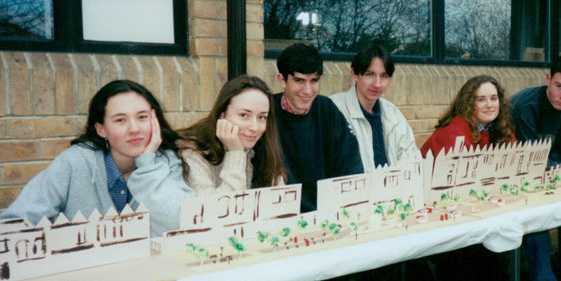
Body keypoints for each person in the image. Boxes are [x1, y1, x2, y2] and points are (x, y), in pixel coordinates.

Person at [0, 80, 195, 237]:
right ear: (101, 129)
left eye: (142, 117)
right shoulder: (75, 162)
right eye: (120, 120)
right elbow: (16, 221)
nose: (134, 129)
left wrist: (148, 165)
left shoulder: (167, 163)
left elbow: (183, 223)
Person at [510, 54, 561, 281]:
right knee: (538, 218)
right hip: (521, 173)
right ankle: (544, 280)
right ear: (548, 79)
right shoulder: (524, 106)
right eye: (559, 86)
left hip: (558, 171)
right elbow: (528, 161)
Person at [272, 43, 364, 212]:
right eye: (299, 80)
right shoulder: (266, 113)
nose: (307, 91)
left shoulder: (326, 109)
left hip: (329, 214)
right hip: (281, 215)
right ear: (282, 80)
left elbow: (351, 166)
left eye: (314, 81)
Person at [178, 75, 287, 195]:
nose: (254, 127)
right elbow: (217, 211)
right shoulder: (193, 152)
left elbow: (279, 207)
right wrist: (235, 154)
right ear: (222, 114)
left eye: (262, 117)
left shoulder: (265, 148)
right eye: (244, 115)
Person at [330, 44, 421, 172]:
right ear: (355, 74)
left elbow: (412, 161)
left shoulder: (393, 114)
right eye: (369, 74)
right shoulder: (334, 109)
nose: (377, 84)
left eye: (384, 76)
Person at [421, 74, 517, 157]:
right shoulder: (455, 131)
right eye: (481, 100)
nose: (489, 105)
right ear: (468, 103)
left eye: (494, 98)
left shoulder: (498, 125)